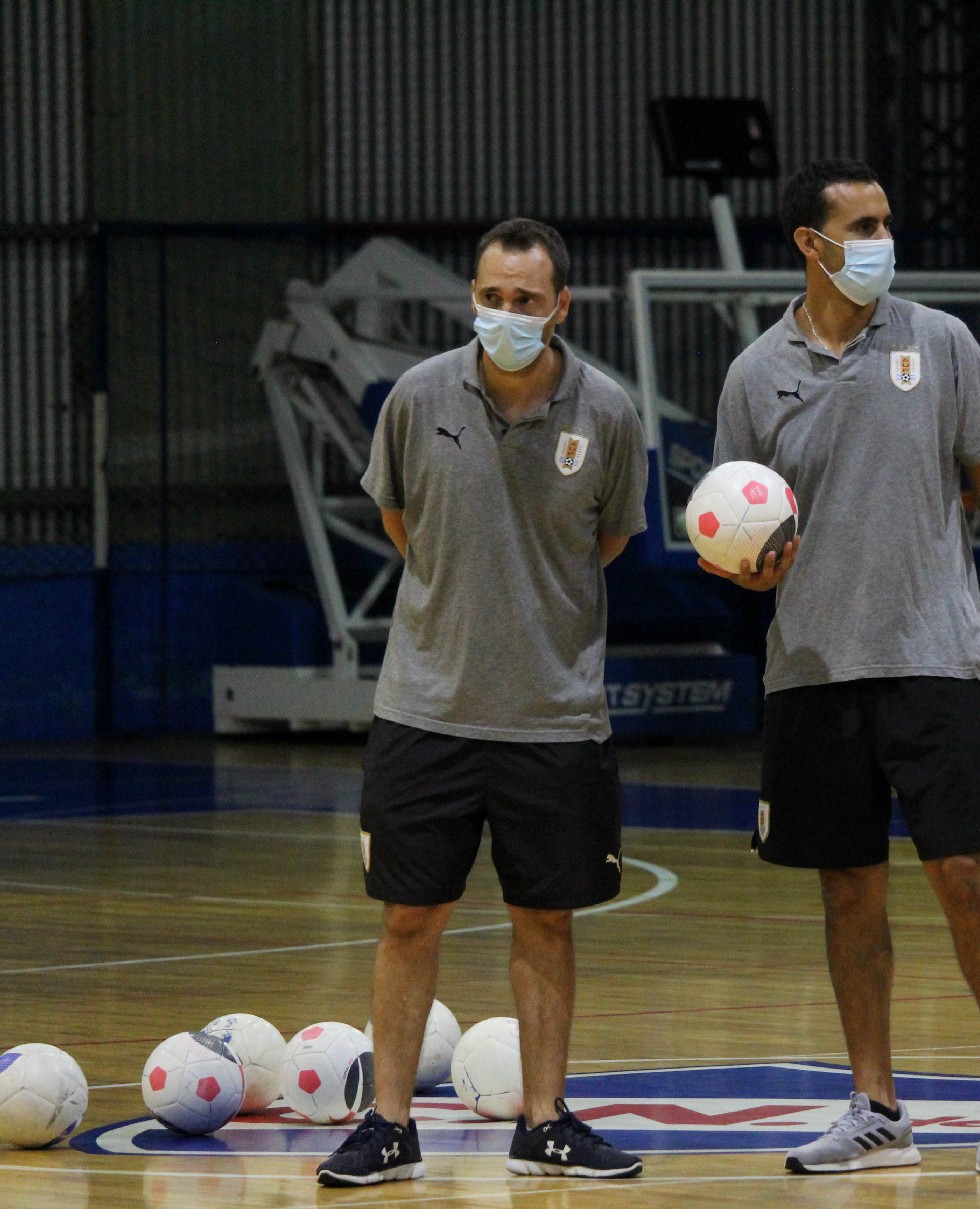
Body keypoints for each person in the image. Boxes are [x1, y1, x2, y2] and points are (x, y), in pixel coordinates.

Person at [707, 158, 980, 1176]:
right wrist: (748, 571)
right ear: (810, 243)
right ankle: (875, 1105)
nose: (882, 238)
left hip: (933, 654)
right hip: (810, 666)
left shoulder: (941, 343)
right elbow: (733, 528)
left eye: (886, 220)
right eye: (862, 224)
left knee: (963, 870)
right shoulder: (755, 375)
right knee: (847, 886)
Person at [317, 218, 649, 1186]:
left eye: (526, 301)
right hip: (425, 710)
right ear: (473, 294)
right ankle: (387, 1124)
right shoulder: (418, 398)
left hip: (554, 718)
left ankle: (544, 1121)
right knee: (408, 919)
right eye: (491, 298)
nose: (505, 315)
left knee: (545, 921)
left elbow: (610, 541)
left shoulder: (610, 413)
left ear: (561, 307)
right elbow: (397, 519)